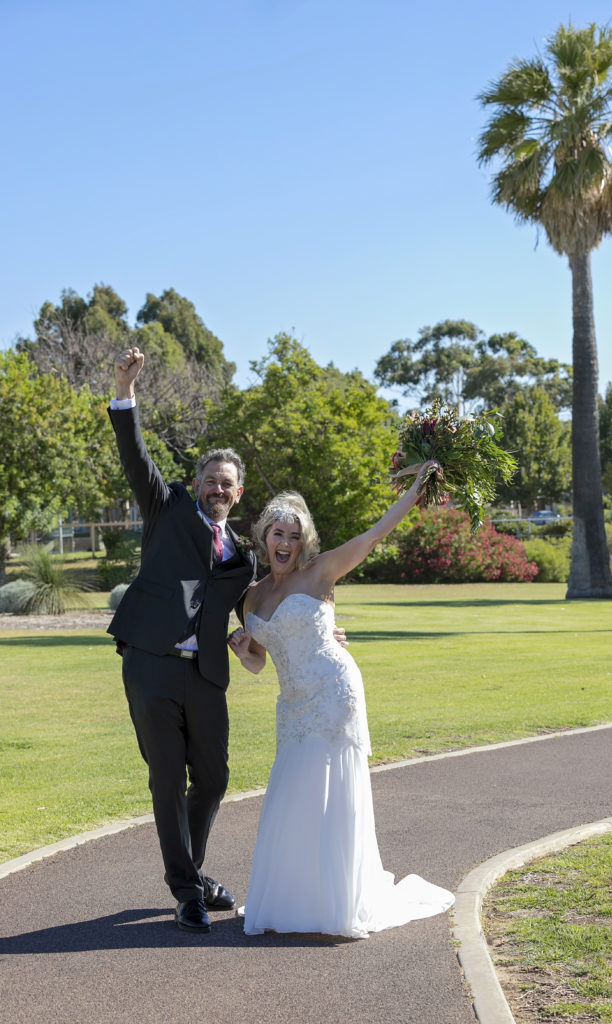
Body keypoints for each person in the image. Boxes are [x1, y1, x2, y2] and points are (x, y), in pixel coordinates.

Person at [228, 467, 455, 938]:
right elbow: (259, 665)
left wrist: (417, 489)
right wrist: (242, 648)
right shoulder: (251, 597)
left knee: (331, 795)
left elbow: (373, 536)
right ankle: (294, 899)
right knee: (293, 797)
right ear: (264, 538)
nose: (285, 542)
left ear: (303, 541)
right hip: (291, 705)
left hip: (334, 691)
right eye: (277, 533)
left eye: (294, 535)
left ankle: (336, 903)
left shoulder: (319, 573)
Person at [108, 347, 257, 934]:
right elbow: (135, 456)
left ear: (237, 494)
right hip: (151, 665)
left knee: (214, 778)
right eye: (211, 480)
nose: (218, 489)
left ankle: (191, 871)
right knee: (168, 777)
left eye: (228, 484)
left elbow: (258, 611)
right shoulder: (166, 507)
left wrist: (317, 626)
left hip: (205, 678)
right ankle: (187, 890)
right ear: (195, 484)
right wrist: (125, 389)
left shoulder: (241, 559)